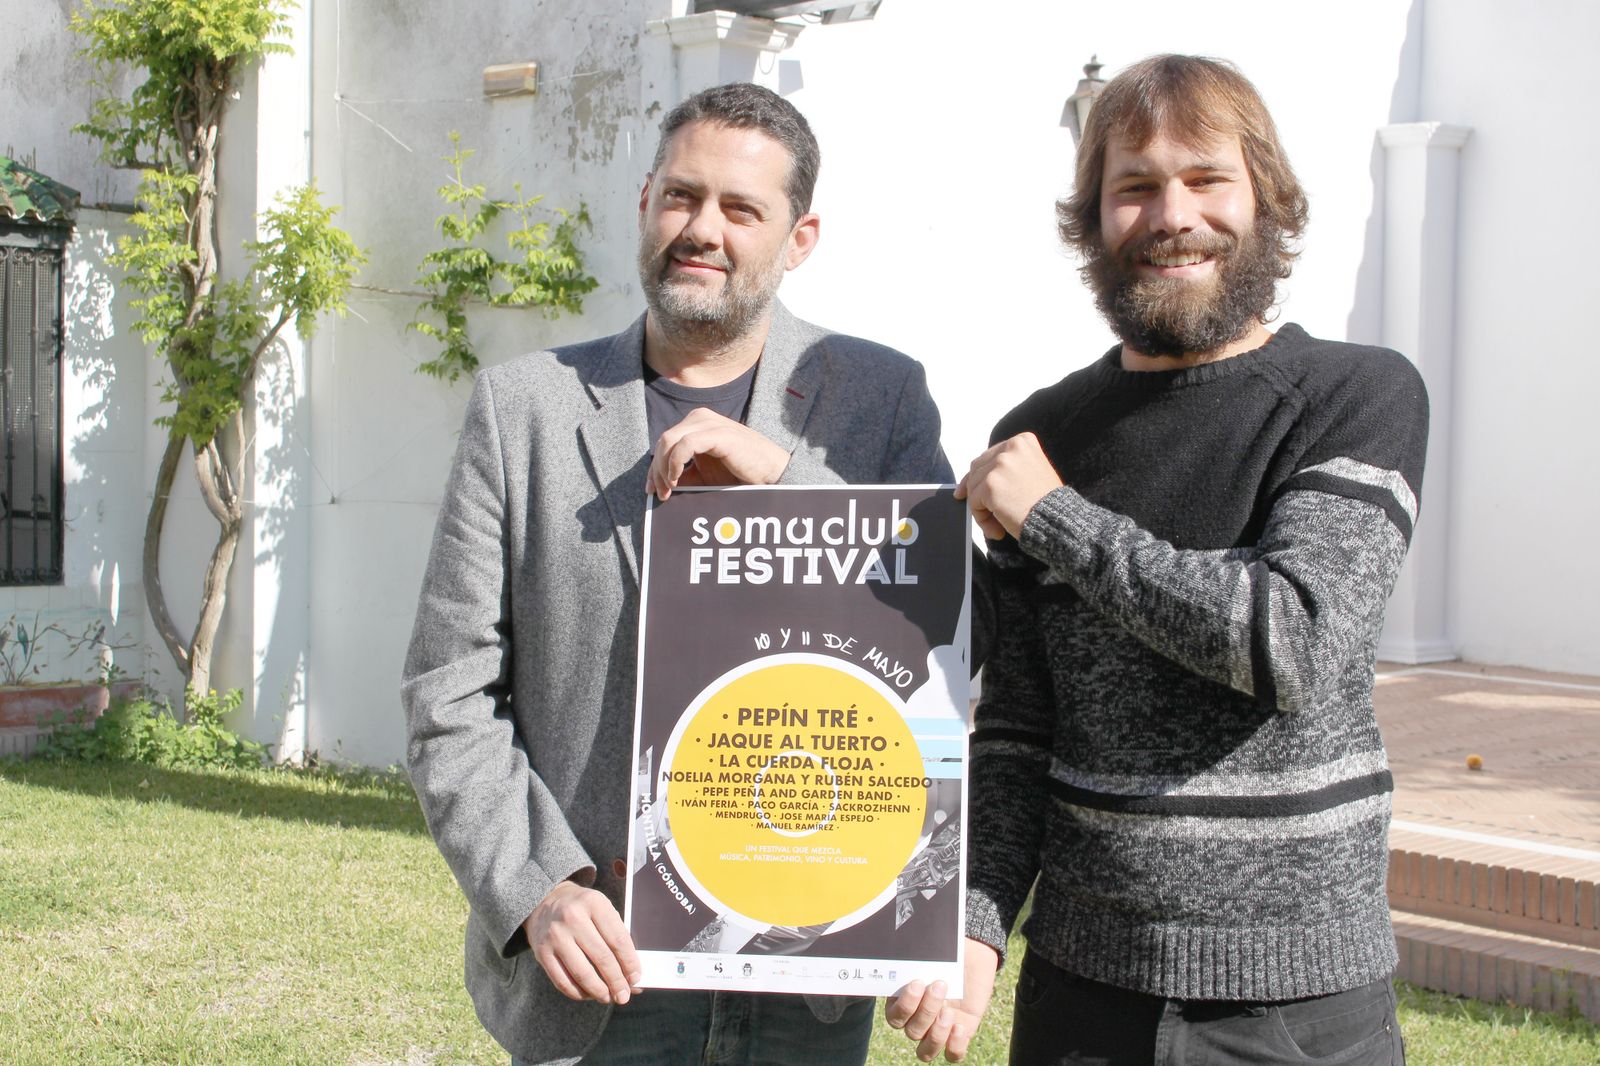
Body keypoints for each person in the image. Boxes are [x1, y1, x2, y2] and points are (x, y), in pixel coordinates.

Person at [887, 54, 1427, 1064]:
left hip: (1300, 1005)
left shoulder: (1355, 395)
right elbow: (1017, 726)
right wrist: (973, 921)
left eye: (1205, 179)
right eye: (1133, 187)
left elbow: (1290, 641)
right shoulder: (1044, 430)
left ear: (1263, 197)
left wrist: (1053, 516)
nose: (1171, 213)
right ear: (1092, 220)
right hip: (1082, 996)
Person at [402, 82, 952, 1066]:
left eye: (742, 209)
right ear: (646, 201)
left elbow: (945, 632)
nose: (704, 229)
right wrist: (540, 889)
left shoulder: (880, 397)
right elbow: (450, 690)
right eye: (682, 197)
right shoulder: (523, 410)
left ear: (800, 235)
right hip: (602, 974)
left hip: (808, 965)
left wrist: (787, 479)